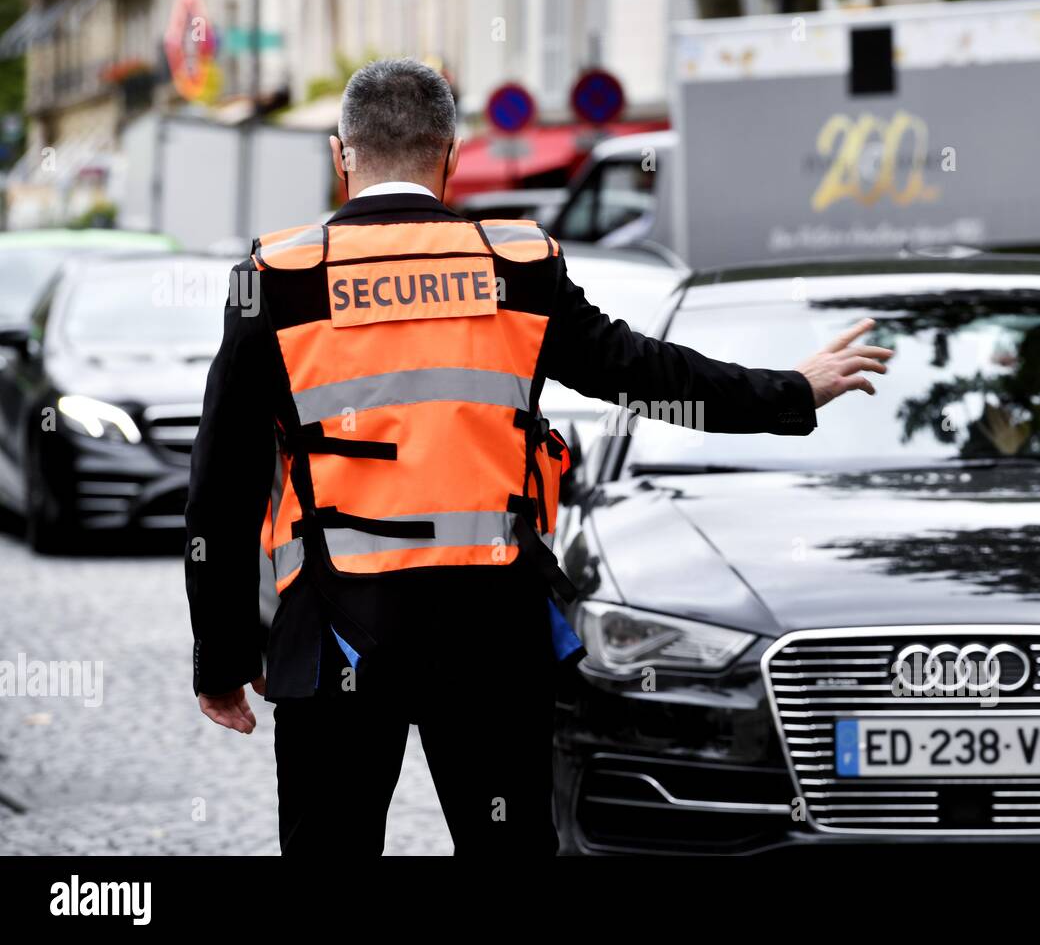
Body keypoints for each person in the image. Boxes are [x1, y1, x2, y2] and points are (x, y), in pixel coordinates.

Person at [185, 58, 892, 856]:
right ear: (450, 154)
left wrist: (223, 654)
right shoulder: (515, 266)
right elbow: (644, 376)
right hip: (492, 631)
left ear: (340, 154)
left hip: (335, 633)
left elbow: (222, 483)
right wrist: (790, 389)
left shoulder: (278, 278)